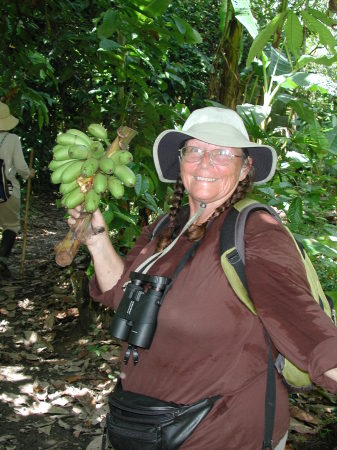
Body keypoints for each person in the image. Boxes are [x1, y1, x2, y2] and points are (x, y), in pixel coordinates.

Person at [68, 107, 337, 450]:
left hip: (223, 431)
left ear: (245, 169)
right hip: (143, 425)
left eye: (223, 153)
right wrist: (96, 239)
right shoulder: (165, 227)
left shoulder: (255, 232)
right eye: (194, 150)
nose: (205, 162)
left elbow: (304, 326)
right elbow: (121, 296)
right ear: (180, 163)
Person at [0, 101, 35, 279]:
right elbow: (21, 167)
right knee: (11, 225)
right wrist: (29, 174)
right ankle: (2, 261)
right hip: (7, 190)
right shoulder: (12, 140)